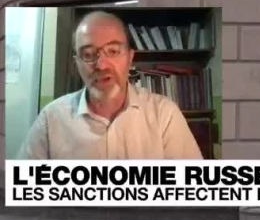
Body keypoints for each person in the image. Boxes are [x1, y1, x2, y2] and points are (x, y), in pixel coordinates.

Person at [16, 11, 203, 160]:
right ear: (76, 64)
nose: (101, 65)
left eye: (113, 51)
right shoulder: (51, 119)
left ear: (130, 58)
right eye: (88, 54)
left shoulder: (164, 114)